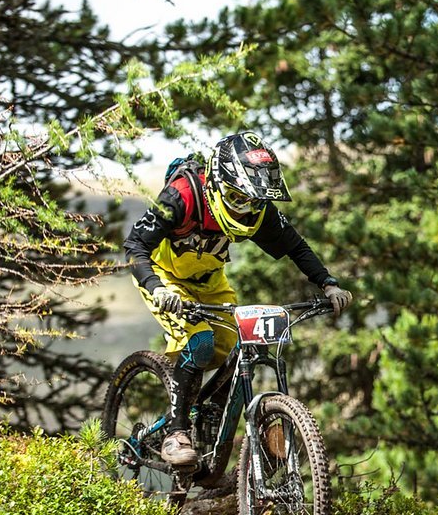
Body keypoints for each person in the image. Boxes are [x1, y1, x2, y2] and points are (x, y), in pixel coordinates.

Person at [124, 130, 352, 468]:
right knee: (200, 341)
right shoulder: (183, 196)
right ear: (217, 184)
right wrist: (158, 289)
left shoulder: (255, 209)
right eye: (237, 197)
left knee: (239, 345)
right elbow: (135, 247)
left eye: (253, 200)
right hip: (165, 279)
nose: (245, 207)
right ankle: (176, 432)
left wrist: (328, 284)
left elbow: (296, 246)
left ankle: (212, 413)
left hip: (212, 280)